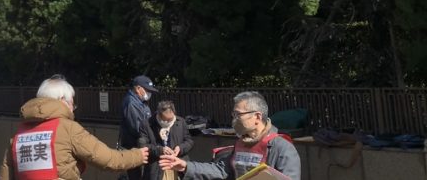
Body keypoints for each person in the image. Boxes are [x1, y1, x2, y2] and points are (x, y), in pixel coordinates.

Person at [0, 75, 149, 180]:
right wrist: (139, 155)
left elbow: (6, 174)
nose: (73, 108)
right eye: (72, 102)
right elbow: (109, 160)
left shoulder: (19, 134)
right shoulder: (68, 128)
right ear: (62, 100)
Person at [159, 91, 301, 180]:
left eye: (238, 114)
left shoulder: (282, 148)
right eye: (233, 114)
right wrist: (185, 166)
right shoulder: (241, 143)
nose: (233, 119)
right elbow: (221, 170)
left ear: (257, 117)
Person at [139, 100, 193, 180]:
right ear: (159, 115)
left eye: (171, 119)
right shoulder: (147, 124)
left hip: (177, 165)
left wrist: (180, 148)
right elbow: (142, 145)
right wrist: (160, 150)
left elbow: (189, 141)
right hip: (157, 167)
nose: (168, 122)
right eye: (165, 120)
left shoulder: (180, 122)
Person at [119, 74, 158, 180]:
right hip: (134, 147)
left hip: (141, 146)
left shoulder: (141, 102)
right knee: (136, 176)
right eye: (147, 90)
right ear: (138, 88)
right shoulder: (131, 103)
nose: (149, 93)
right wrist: (152, 135)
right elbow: (137, 127)